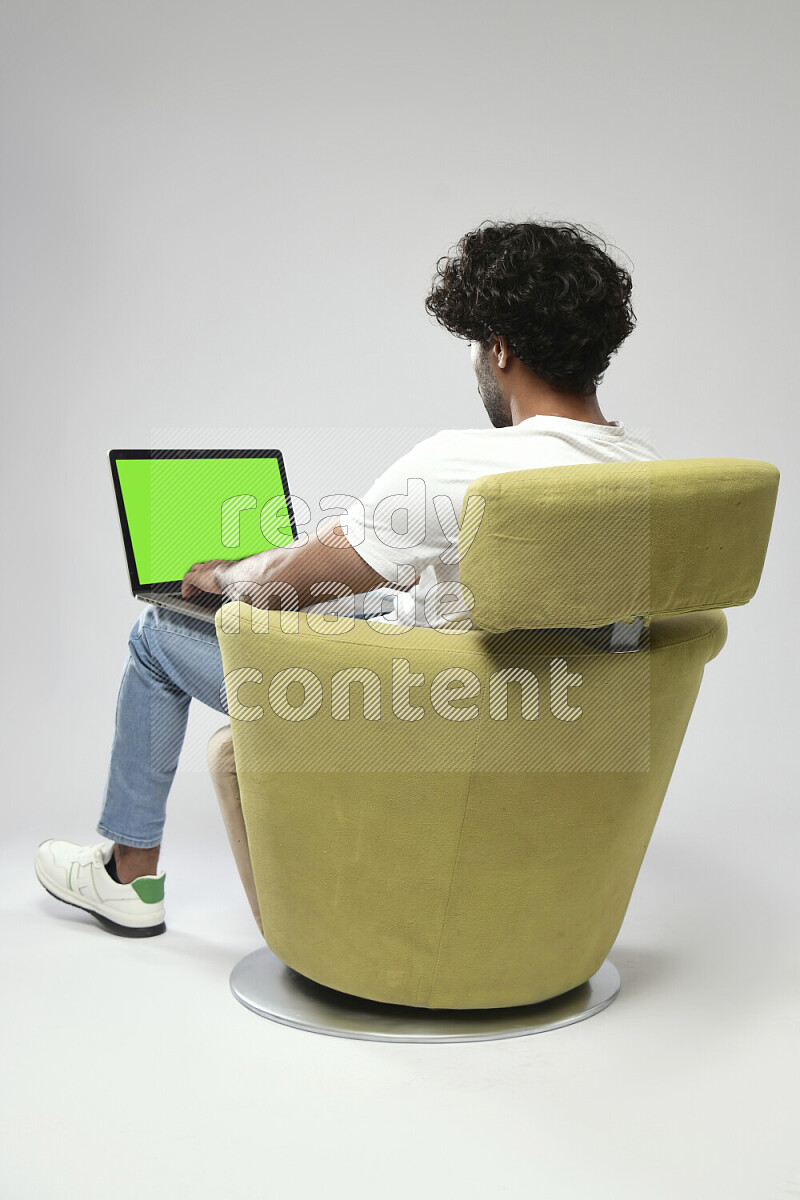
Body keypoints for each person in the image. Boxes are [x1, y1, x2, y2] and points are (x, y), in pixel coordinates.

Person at [35, 218, 661, 937]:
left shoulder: (460, 463)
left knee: (156, 637)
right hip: (538, 722)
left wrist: (228, 573)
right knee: (369, 594)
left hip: (412, 715)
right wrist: (370, 561)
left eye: (477, 348)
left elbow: (286, 586)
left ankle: (126, 877)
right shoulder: (648, 472)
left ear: (500, 347)